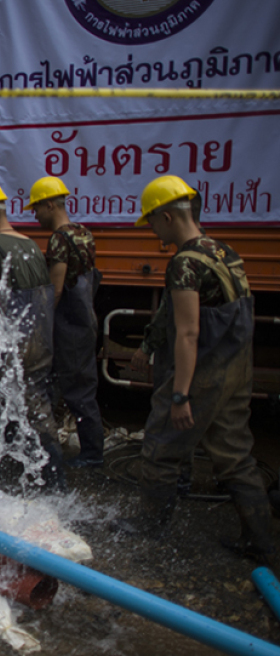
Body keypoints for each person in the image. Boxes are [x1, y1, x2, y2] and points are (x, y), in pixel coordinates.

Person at [115, 176, 275, 567]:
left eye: (151, 221)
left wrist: (180, 395)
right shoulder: (224, 252)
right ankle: (261, 542)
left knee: (161, 446)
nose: (151, 229)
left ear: (168, 216)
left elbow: (188, 332)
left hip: (203, 374)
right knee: (235, 456)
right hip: (236, 371)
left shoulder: (184, 264)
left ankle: (149, 525)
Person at [0, 179, 65, 491]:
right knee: (34, 408)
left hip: (9, 345)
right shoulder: (32, 244)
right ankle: (51, 477)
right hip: (39, 341)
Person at [26, 176, 105, 468]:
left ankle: (92, 456)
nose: (35, 216)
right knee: (83, 386)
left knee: (78, 392)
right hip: (85, 320)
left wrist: (40, 327)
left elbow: (56, 289)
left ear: (50, 205)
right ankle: (91, 450)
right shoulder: (83, 232)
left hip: (69, 324)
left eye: (37, 209)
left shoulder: (59, 238)